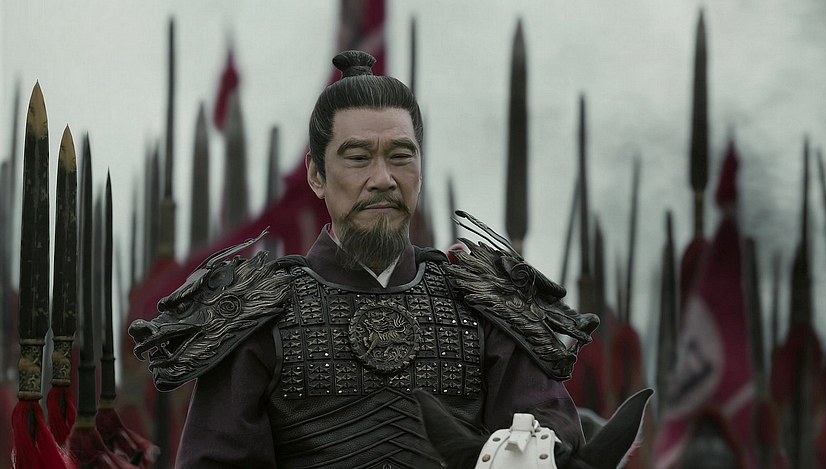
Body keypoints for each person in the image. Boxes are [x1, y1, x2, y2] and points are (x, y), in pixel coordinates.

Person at [130, 50, 596, 468]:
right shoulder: (257, 314)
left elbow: (546, 435)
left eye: (401, 156)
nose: (383, 178)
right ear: (316, 175)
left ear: (420, 168)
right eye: (358, 157)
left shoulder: (482, 304)